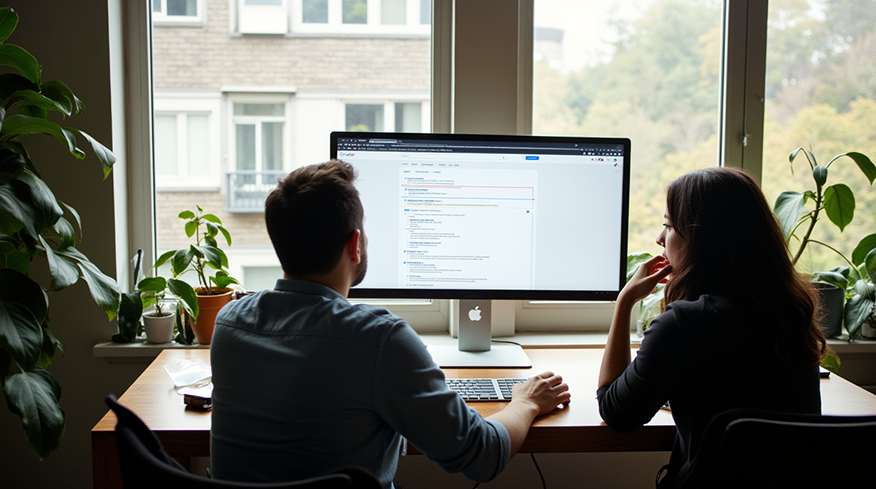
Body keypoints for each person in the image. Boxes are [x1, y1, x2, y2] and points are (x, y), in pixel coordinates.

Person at [210, 159, 571, 489]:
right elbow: (481, 456)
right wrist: (526, 402)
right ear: (356, 244)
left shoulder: (228, 323)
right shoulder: (377, 340)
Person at [597, 167, 825, 488]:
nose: (660, 239)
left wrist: (624, 302)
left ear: (704, 240)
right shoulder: (792, 314)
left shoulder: (684, 323)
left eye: (669, 225)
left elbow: (617, 413)